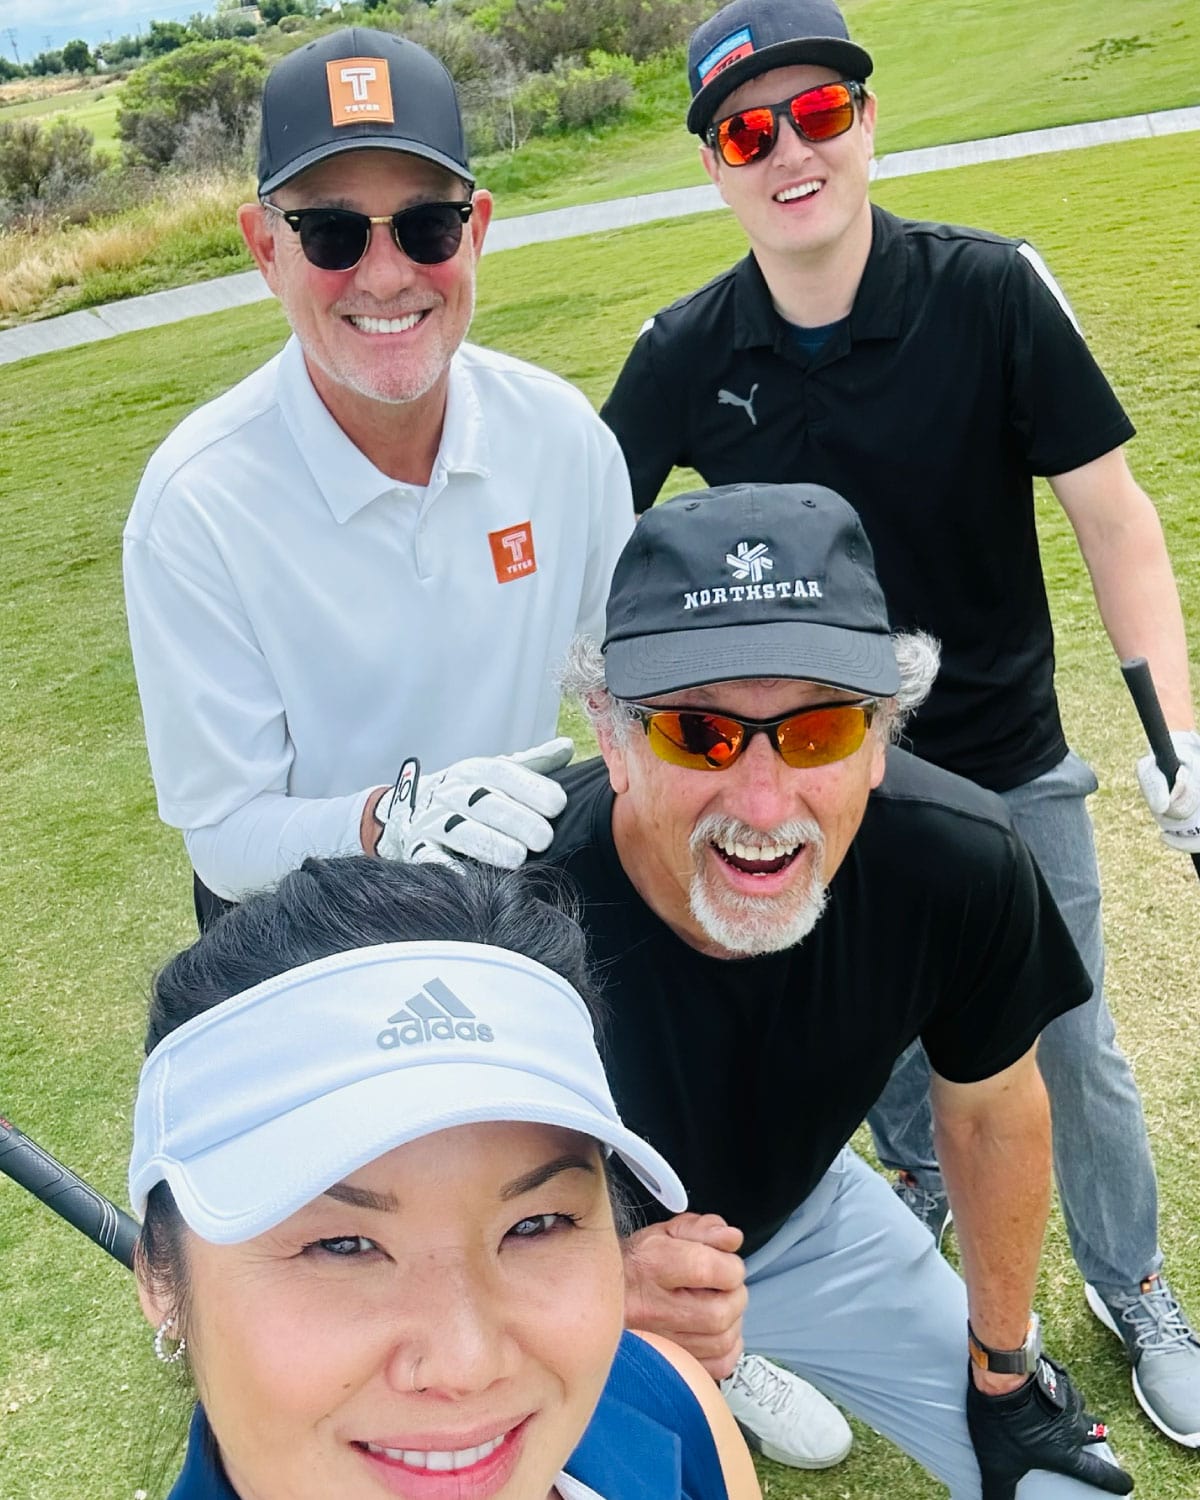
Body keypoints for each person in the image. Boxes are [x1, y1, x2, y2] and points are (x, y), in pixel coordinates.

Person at [599, 0, 1200, 1451]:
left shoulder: (991, 292)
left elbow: (1114, 522)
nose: (789, 152)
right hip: (793, 786)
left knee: (1070, 1051)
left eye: (818, 117)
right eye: (750, 131)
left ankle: (1136, 1286)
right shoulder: (682, 350)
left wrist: (1178, 739)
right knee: (864, 1048)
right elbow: (580, 551)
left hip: (999, 765)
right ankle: (915, 1211)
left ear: (867, 124)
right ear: (715, 167)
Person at [408, 482, 1140, 1496]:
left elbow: (989, 1112)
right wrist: (587, 1283)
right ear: (612, 739)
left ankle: (736, 1337)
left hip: (805, 1215)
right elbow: (384, 1222)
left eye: (819, 732)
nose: (762, 802)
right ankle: (714, 1359)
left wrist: (1004, 1370)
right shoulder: (500, 904)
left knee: (1057, 1487)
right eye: (699, 734)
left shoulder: (959, 862)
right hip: (553, 1263)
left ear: (881, 739)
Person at [124, 27, 634, 929]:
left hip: (511, 905)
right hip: (303, 934)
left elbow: (620, 684)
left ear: (474, 230)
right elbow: (226, 837)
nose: (388, 275)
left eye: (426, 225)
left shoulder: (561, 435)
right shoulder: (194, 503)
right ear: (263, 247)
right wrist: (394, 821)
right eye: (331, 233)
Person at [128, 854, 760, 1500]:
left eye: (535, 1225)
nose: (468, 1363)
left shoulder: (669, 1400)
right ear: (159, 1273)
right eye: (342, 1245)